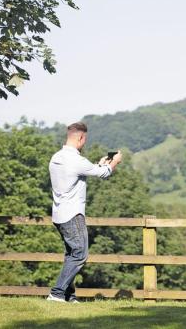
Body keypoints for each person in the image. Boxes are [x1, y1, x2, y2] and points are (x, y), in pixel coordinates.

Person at [47, 122, 122, 303]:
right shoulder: (76, 160)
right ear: (81, 137)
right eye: (85, 139)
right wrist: (115, 162)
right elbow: (104, 174)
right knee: (80, 254)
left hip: (59, 214)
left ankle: (68, 296)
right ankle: (57, 293)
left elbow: (83, 171)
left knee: (71, 255)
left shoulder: (57, 157)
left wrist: (100, 164)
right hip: (73, 214)